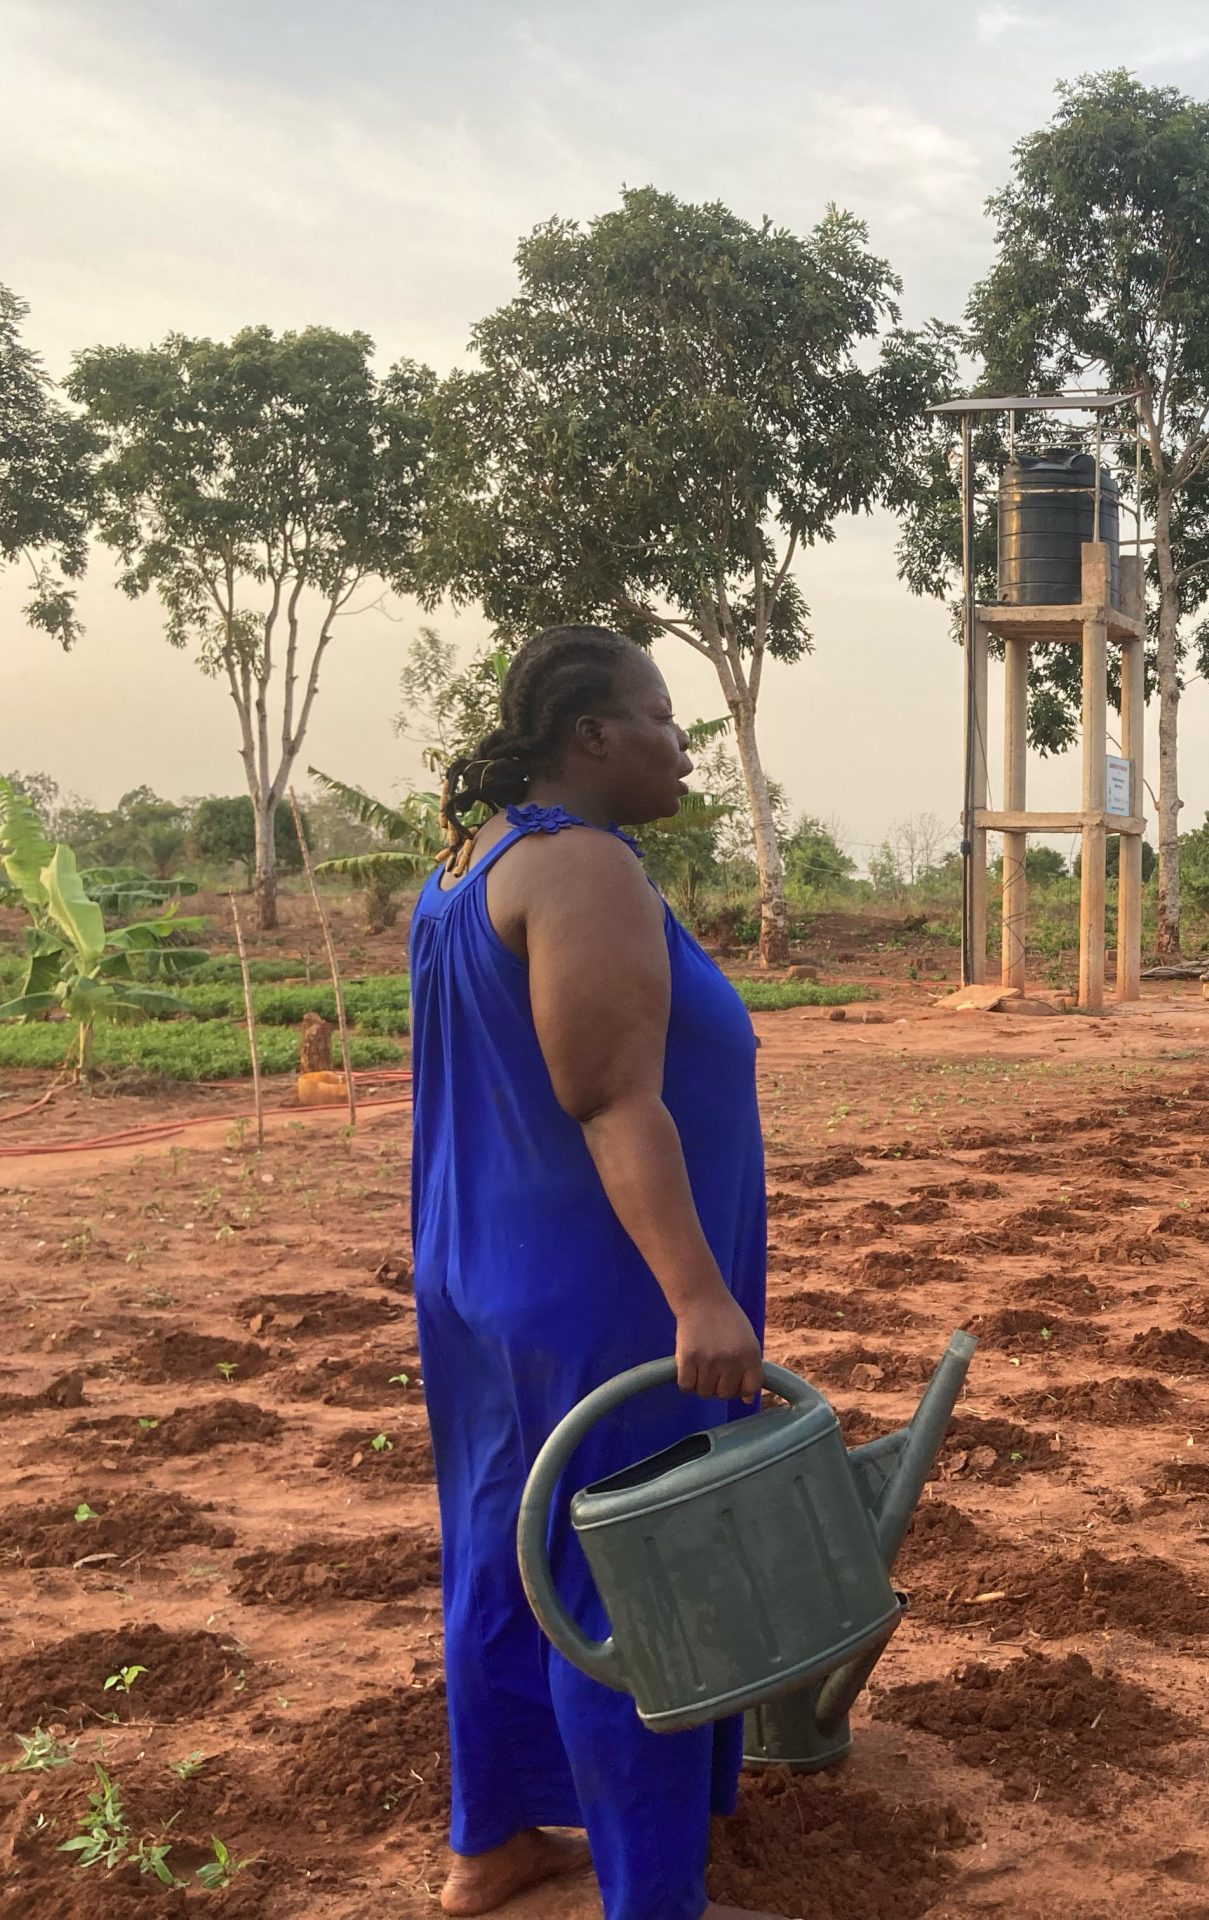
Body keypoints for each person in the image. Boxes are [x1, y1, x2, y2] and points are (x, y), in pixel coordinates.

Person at [411, 626, 782, 1920]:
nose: (687, 749)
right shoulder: (582, 870)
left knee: (501, 1552)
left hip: (482, 1271)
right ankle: (652, 1900)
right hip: (601, 1289)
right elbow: (612, 1099)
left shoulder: (467, 867)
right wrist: (697, 1292)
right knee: (635, 1582)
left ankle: (493, 1842)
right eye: (665, 719)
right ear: (593, 736)